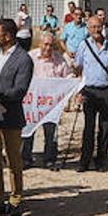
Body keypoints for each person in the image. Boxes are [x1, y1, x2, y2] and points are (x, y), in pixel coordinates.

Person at [0, 18, 33, 216]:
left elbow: (20, 90)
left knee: (14, 161)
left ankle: (16, 198)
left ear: (7, 36)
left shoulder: (24, 59)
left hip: (11, 116)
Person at [73, 13, 108, 172]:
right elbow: (78, 67)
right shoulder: (83, 45)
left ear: (103, 28)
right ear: (88, 29)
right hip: (90, 91)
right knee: (88, 128)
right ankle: (84, 161)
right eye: (93, 27)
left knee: (105, 127)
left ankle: (102, 161)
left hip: (107, 91)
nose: (96, 30)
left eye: (98, 27)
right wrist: (79, 91)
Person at [24, 29, 71, 171]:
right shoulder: (30, 57)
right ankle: (25, 159)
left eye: (51, 45)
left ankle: (50, 160)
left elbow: (67, 77)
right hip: (33, 103)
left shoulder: (59, 59)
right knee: (29, 131)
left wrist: (74, 82)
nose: (48, 48)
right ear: (39, 44)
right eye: (45, 44)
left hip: (52, 104)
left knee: (51, 133)